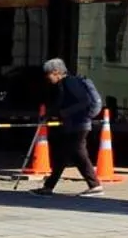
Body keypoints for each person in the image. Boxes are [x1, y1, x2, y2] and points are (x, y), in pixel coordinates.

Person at [38, 59, 103, 196]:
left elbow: (84, 101)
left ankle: (95, 185)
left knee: (78, 153)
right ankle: (48, 187)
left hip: (79, 124)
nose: (47, 78)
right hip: (73, 124)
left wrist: (64, 113)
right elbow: (59, 104)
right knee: (63, 155)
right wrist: (49, 115)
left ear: (56, 72)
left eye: (48, 74)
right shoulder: (63, 85)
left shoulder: (70, 83)